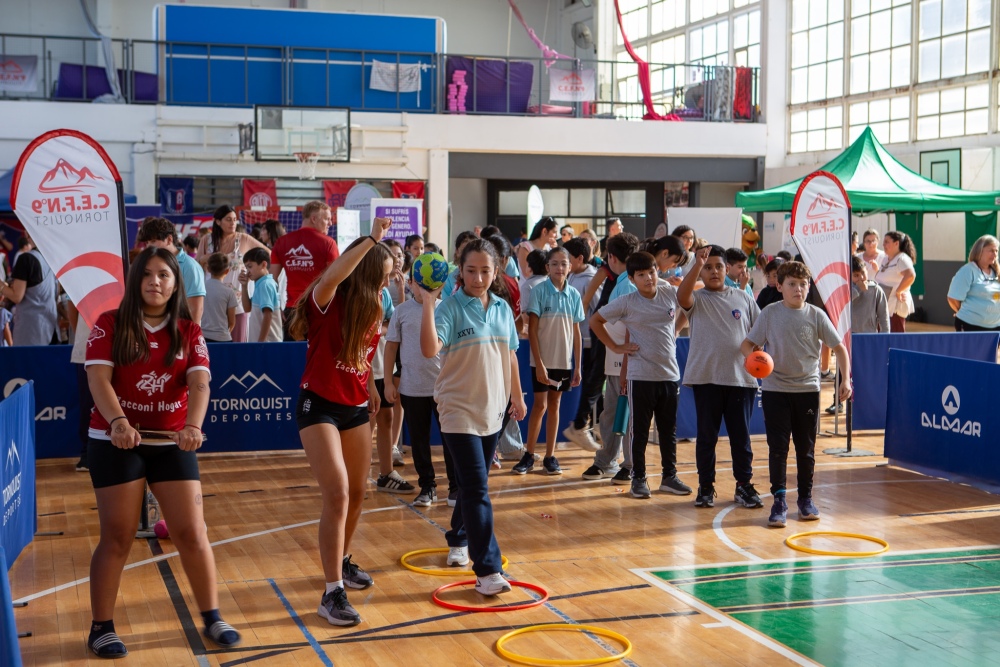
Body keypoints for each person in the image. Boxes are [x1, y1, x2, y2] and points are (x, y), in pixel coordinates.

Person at [84, 247, 240, 658]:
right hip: (115, 441)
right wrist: (118, 423)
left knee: (192, 532)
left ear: (176, 284)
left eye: (165, 276)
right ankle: (101, 628)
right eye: (148, 274)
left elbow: (201, 385)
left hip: (170, 442)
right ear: (136, 281)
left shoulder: (189, 331)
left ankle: (212, 616)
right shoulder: (109, 323)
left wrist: (193, 426)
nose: (156, 281)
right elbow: (99, 380)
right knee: (117, 537)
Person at [287, 217, 393, 626]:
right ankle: (332, 593)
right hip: (318, 406)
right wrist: (370, 240)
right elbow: (333, 272)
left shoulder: (377, 306)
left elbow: (363, 357)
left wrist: (369, 386)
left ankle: (342, 561)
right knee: (337, 495)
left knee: (359, 493)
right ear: (365, 272)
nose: (388, 282)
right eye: (383, 276)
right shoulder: (328, 297)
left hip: (353, 408)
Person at [420, 238, 527, 595]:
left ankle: (459, 536)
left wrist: (517, 396)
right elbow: (429, 348)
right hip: (457, 410)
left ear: (496, 271)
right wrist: (426, 306)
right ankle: (488, 571)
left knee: (472, 485)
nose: (478, 278)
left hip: (493, 411)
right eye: (470, 270)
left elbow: (510, 354)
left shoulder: (501, 307)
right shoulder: (449, 308)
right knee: (478, 488)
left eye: (485, 270)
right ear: (459, 270)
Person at [740, 261, 852, 528]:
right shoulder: (769, 313)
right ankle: (779, 500)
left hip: (807, 391)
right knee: (778, 449)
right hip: (776, 390)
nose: (798, 289)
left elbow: (840, 349)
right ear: (779, 286)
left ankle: (805, 499)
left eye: (803, 284)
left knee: (806, 450)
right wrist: (755, 358)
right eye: (791, 284)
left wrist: (845, 379)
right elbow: (746, 344)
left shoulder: (816, 315)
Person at [591, 251, 692, 499]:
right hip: (640, 377)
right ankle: (639, 477)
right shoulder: (627, 302)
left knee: (669, 430)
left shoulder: (669, 292)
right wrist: (615, 348)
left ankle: (669, 477)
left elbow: (690, 305)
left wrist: (676, 329)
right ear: (632, 279)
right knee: (639, 432)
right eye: (641, 274)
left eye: (652, 271)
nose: (648, 278)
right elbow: (595, 321)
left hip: (669, 374)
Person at [678, 246, 762, 509]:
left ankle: (744, 485)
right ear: (701, 271)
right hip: (707, 379)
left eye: (718, 266)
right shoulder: (697, 298)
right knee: (706, 437)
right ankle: (705, 487)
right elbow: (682, 295)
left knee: (741, 437)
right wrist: (696, 263)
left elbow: (758, 333)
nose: (713, 271)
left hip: (741, 379)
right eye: (708, 267)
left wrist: (758, 357)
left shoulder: (743, 298)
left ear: (727, 270)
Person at [384, 270, 456, 506]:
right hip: (411, 389)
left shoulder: (447, 308)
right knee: (418, 441)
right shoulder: (401, 312)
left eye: (430, 285)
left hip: (443, 389)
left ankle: (456, 488)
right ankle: (428, 486)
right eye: (419, 283)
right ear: (410, 283)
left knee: (451, 440)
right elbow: (391, 348)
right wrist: (387, 382)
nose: (424, 289)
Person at [514, 247, 584, 475]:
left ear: (569, 267)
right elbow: (532, 331)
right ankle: (529, 454)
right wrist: (540, 363)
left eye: (563, 263)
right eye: (554, 264)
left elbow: (577, 332)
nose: (559, 268)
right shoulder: (539, 292)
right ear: (547, 267)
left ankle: (550, 456)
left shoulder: (573, 295)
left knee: (555, 405)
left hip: (563, 362)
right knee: (540, 405)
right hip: (541, 361)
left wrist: (577, 366)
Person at [582, 232, 639, 483]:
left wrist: (618, 349)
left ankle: (629, 464)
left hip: (627, 362)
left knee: (626, 415)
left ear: (611, 257)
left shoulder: (628, 284)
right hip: (616, 361)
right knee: (613, 413)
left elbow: (620, 325)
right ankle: (607, 461)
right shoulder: (623, 282)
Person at [270, 201, 340, 339]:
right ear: (314, 219)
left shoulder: (282, 242)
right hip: (319, 309)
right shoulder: (328, 243)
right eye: (326, 219)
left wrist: (278, 307)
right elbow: (336, 279)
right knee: (318, 356)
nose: (330, 223)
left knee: (292, 357)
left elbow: (272, 280)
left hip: (292, 309)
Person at [196, 205, 266, 341]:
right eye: (228, 219)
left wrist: (255, 274)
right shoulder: (206, 240)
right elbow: (197, 266)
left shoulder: (244, 239)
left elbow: (267, 254)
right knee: (210, 349)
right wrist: (203, 259)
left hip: (238, 305)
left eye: (235, 219)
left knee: (237, 349)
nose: (233, 223)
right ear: (217, 221)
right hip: (211, 305)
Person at [561, 238, 602, 451]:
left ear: (579, 258)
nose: (563, 264)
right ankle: (598, 427)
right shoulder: (571, 277)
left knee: (593, 384)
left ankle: (590, 426)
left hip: (589, 341)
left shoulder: (591, 279)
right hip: (575, 341)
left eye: (567, 260)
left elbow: (598, 310)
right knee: (592, 385)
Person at [139, 217, 206, 325]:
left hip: (180, 334)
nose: (149, 246)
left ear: (169, 239)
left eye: (153, 241)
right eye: (147, 242)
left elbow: (196, 309)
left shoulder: (190, 266)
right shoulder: (149, 263)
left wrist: (190, 338)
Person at [1, 233, 58, 345]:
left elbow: (17, 296)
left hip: (31, 330)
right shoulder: (51, 259)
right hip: (51, 326)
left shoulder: (26, 258)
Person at [947, 235, 1000, 332]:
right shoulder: (968, 271)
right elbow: (953, 298)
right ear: (980, 250)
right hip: (970, 325)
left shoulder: (997, 272)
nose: (995, 254)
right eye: (991, 250)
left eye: (996, 251)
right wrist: (963, 312)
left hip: (995, 327)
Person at [875, 230, 917, 332]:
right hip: (884, 307)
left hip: (895, 309)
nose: (883, 244)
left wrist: (899, 291)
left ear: (896, 243)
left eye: (887, 242)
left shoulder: (902, 258)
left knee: (894, 338)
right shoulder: (886, 258)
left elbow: (910, 275)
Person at [240, 247, 282, 342]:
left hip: (267, 344)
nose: (248, 271)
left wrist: (260, 343)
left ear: (263, 264)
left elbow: (268, 315)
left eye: (250, 266)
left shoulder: (265, 285)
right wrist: (244, 286)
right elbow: (247, 308)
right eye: (246, 267)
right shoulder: (260, 283)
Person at [201, 253, 238, 343]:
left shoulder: (200, 288)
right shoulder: (229, 292)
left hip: (202, 336)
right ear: (227, 271)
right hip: (223, 338)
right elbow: (232, 322)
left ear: (208, 269)